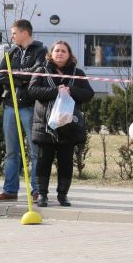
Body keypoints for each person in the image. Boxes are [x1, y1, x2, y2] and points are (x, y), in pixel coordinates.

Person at [28, 41, 94, 207]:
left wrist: (71, 91)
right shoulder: (41, 71)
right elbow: (33, 91)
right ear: (51, 53)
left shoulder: (77, 73)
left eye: (63, 51)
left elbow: (88, 94)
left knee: (65, 163)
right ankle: (42, 194)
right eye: (57, 50)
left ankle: (62, 195)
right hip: (45, 126)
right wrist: (56, 90)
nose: (60, 53)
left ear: (69, 54)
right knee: (44, 162)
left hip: (68, 126)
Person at [0, 20, 47, 202]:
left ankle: (37, 190)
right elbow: (0, 75)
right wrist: (20, 78)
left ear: (25, 33)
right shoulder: (11, 52)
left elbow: (37, 72)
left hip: (30, 106)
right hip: (10, 105)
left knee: (34, 150)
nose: (12, 36)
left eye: (14, 33)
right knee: (11, 151)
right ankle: (10, 190)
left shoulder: (41, 51)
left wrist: (14, 74)